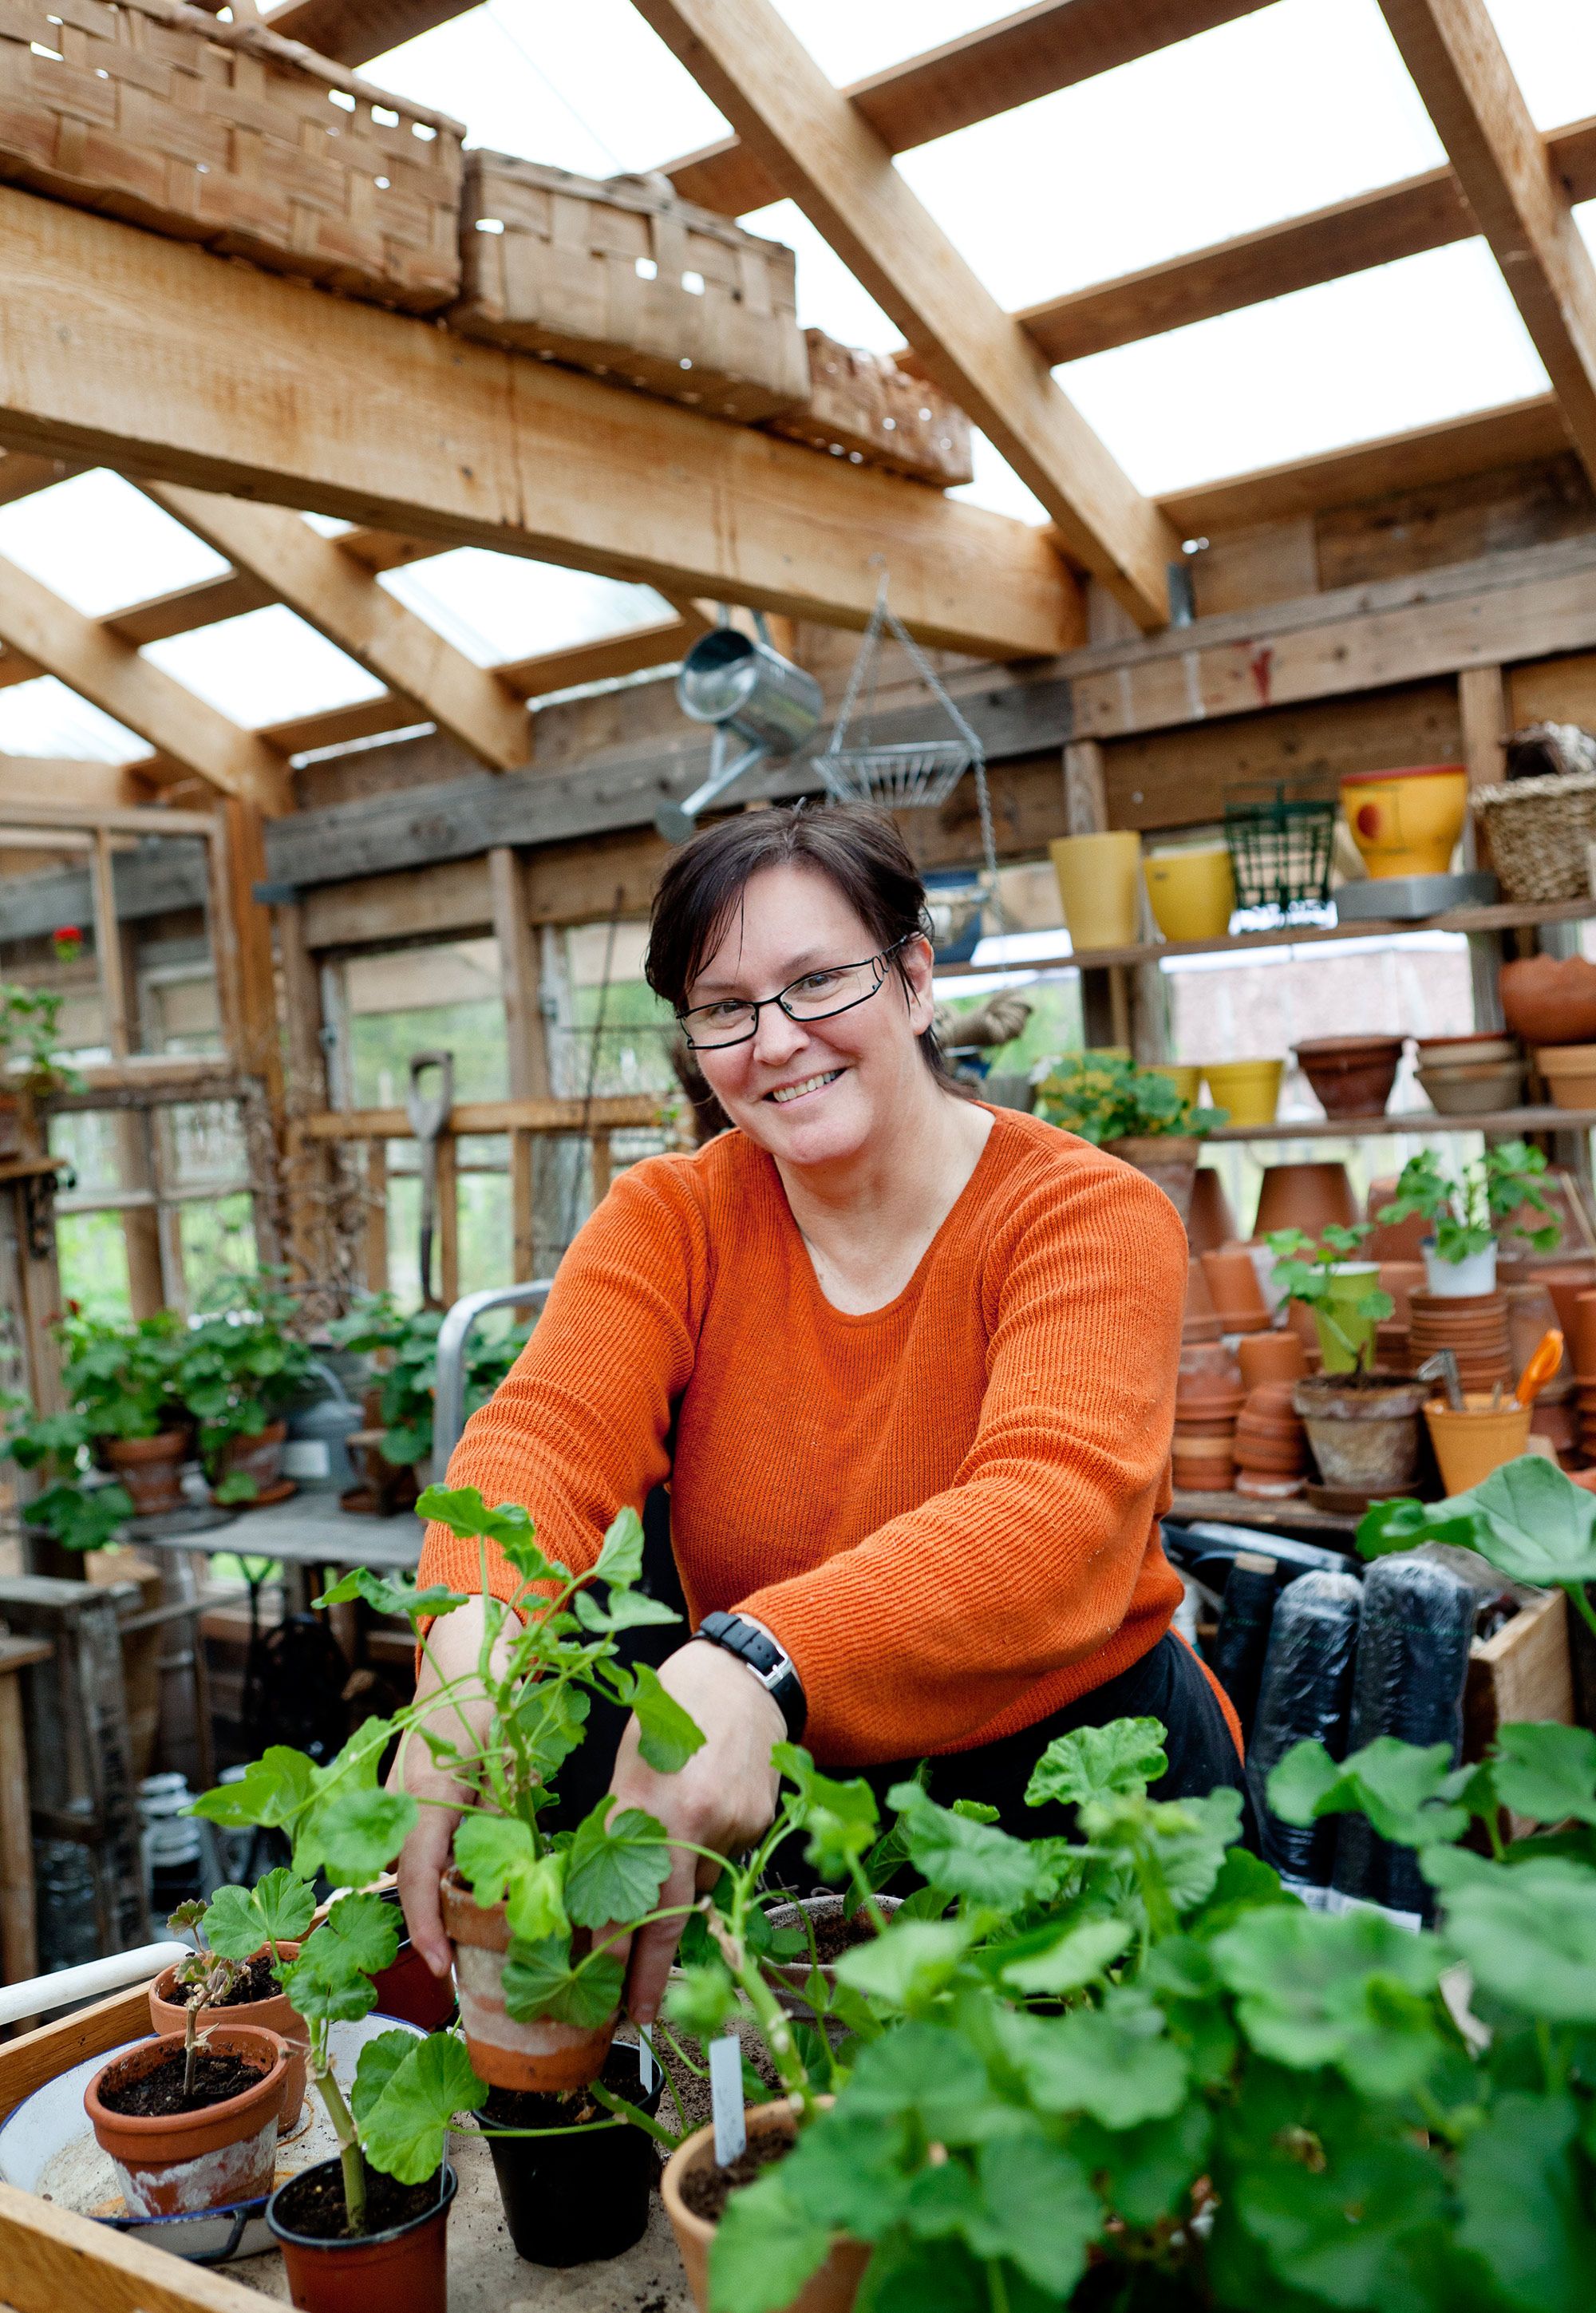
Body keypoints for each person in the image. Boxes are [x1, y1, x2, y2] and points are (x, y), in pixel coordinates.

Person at [392, 804, 1244, 2026]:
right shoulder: (673, 1220)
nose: (777, 1040)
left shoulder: (1084, 1215)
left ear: (914, 977)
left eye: (817, 981)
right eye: (726, 1007)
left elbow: (1050, 1513)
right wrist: (468, 1648)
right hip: (803, 1798)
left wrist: (757, 1661)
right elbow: (540, 1437)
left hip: (1073, 1786)